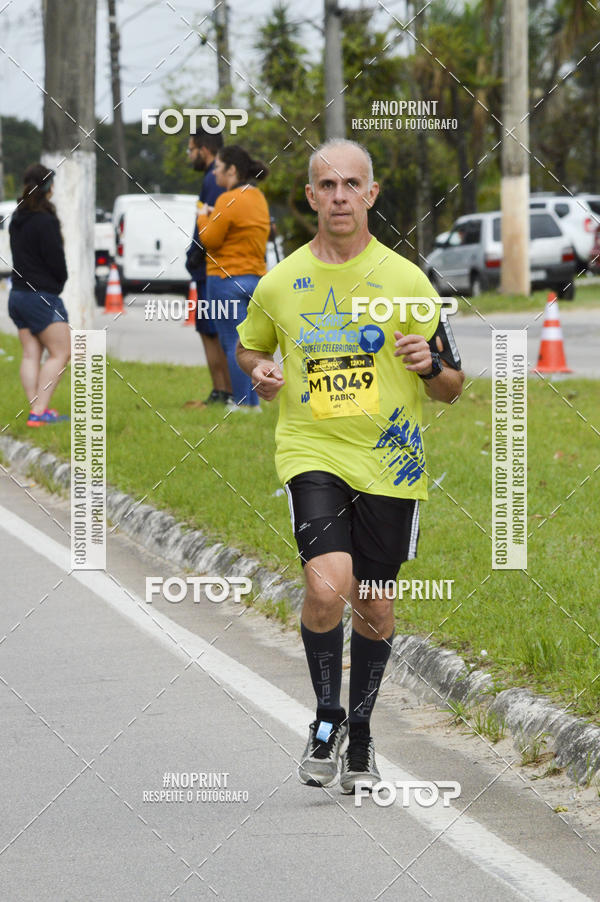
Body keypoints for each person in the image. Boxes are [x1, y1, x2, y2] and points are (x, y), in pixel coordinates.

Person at [236, 139, 464, 792]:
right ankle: (327, 717)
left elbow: (452, 386)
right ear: (311, 196)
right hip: (311, 452)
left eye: (351, 184)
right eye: (327, 186)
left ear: (371, 194)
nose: (340, 197)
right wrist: (261, 371)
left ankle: (360, 732)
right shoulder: (281, 283)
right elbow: (249, 349)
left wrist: (431, 365)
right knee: (327, 586)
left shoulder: (407, 281)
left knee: (375, 606)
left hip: (392, 461)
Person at [197, 145, 271, 412]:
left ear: (232, 170)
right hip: (256, 279)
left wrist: (201, 216)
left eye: (218, 167)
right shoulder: (258, 198)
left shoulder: (227, 199)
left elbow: (210, 240)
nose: (214, 172)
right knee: (250, 345)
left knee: (232, 344)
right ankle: (253, 403)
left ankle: (241, 404)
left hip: (225, 279)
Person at [8, 163, 70, 427]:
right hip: (40, 296)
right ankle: (40, 411)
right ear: (48, 187)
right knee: (62, 352)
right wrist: (60, 281)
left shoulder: (16, 218)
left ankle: (36, 410)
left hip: (17, 296)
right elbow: (56, 260)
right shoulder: (46, 220)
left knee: (30, 354)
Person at [184, 129, 232, 408]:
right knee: (212, 329)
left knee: (212, 331)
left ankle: (224, 391)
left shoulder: (213, 179)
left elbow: (212, 224)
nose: (189, 156)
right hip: (214, 266)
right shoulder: (219, 178)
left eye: (191, 150)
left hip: (211, 268)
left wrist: (195, 254)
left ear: (204, 150)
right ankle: (223, 391)